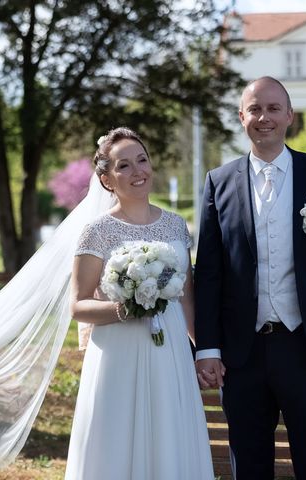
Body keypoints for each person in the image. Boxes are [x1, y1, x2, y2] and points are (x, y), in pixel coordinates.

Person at [194, 76, 306, 480]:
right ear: (241, 118)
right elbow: (210, 273)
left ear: (289, 115)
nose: (263, 117)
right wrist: (208, 348)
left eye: (272, 108)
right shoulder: (219, 182)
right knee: (249, 466)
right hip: (242, 353)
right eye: (254, 109)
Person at [65, 127, 214, 479]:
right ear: (106, 180)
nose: (138, 172)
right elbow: (78, 305)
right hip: (118, 353)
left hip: (170, 353)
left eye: (142, 160)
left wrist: (204, 351)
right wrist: (125, 307)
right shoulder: (97, 231)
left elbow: (187, 299)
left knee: (169, 437)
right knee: (117, 443)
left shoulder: (176, 226)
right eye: (124, 166)